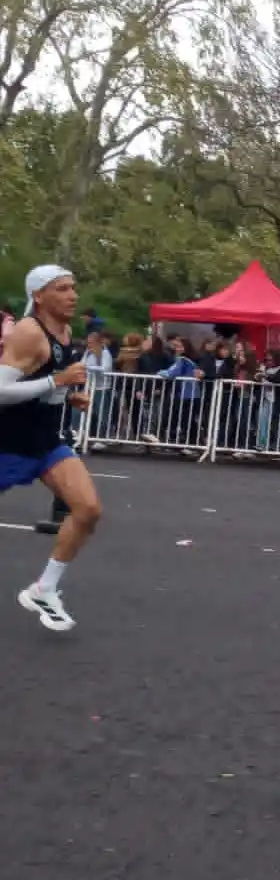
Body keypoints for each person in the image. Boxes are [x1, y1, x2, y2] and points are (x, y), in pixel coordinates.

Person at [0, 265, 99, 632]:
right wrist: (57, 381)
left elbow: (42, 385)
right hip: (7, 442)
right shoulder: (28, 332)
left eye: (74, 287)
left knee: (87, 510)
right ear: (39, 296)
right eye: (62, 289)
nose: (73, 295)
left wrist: (67, 396)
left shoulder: (65, 331)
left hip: (44, 441)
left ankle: (44, 588)